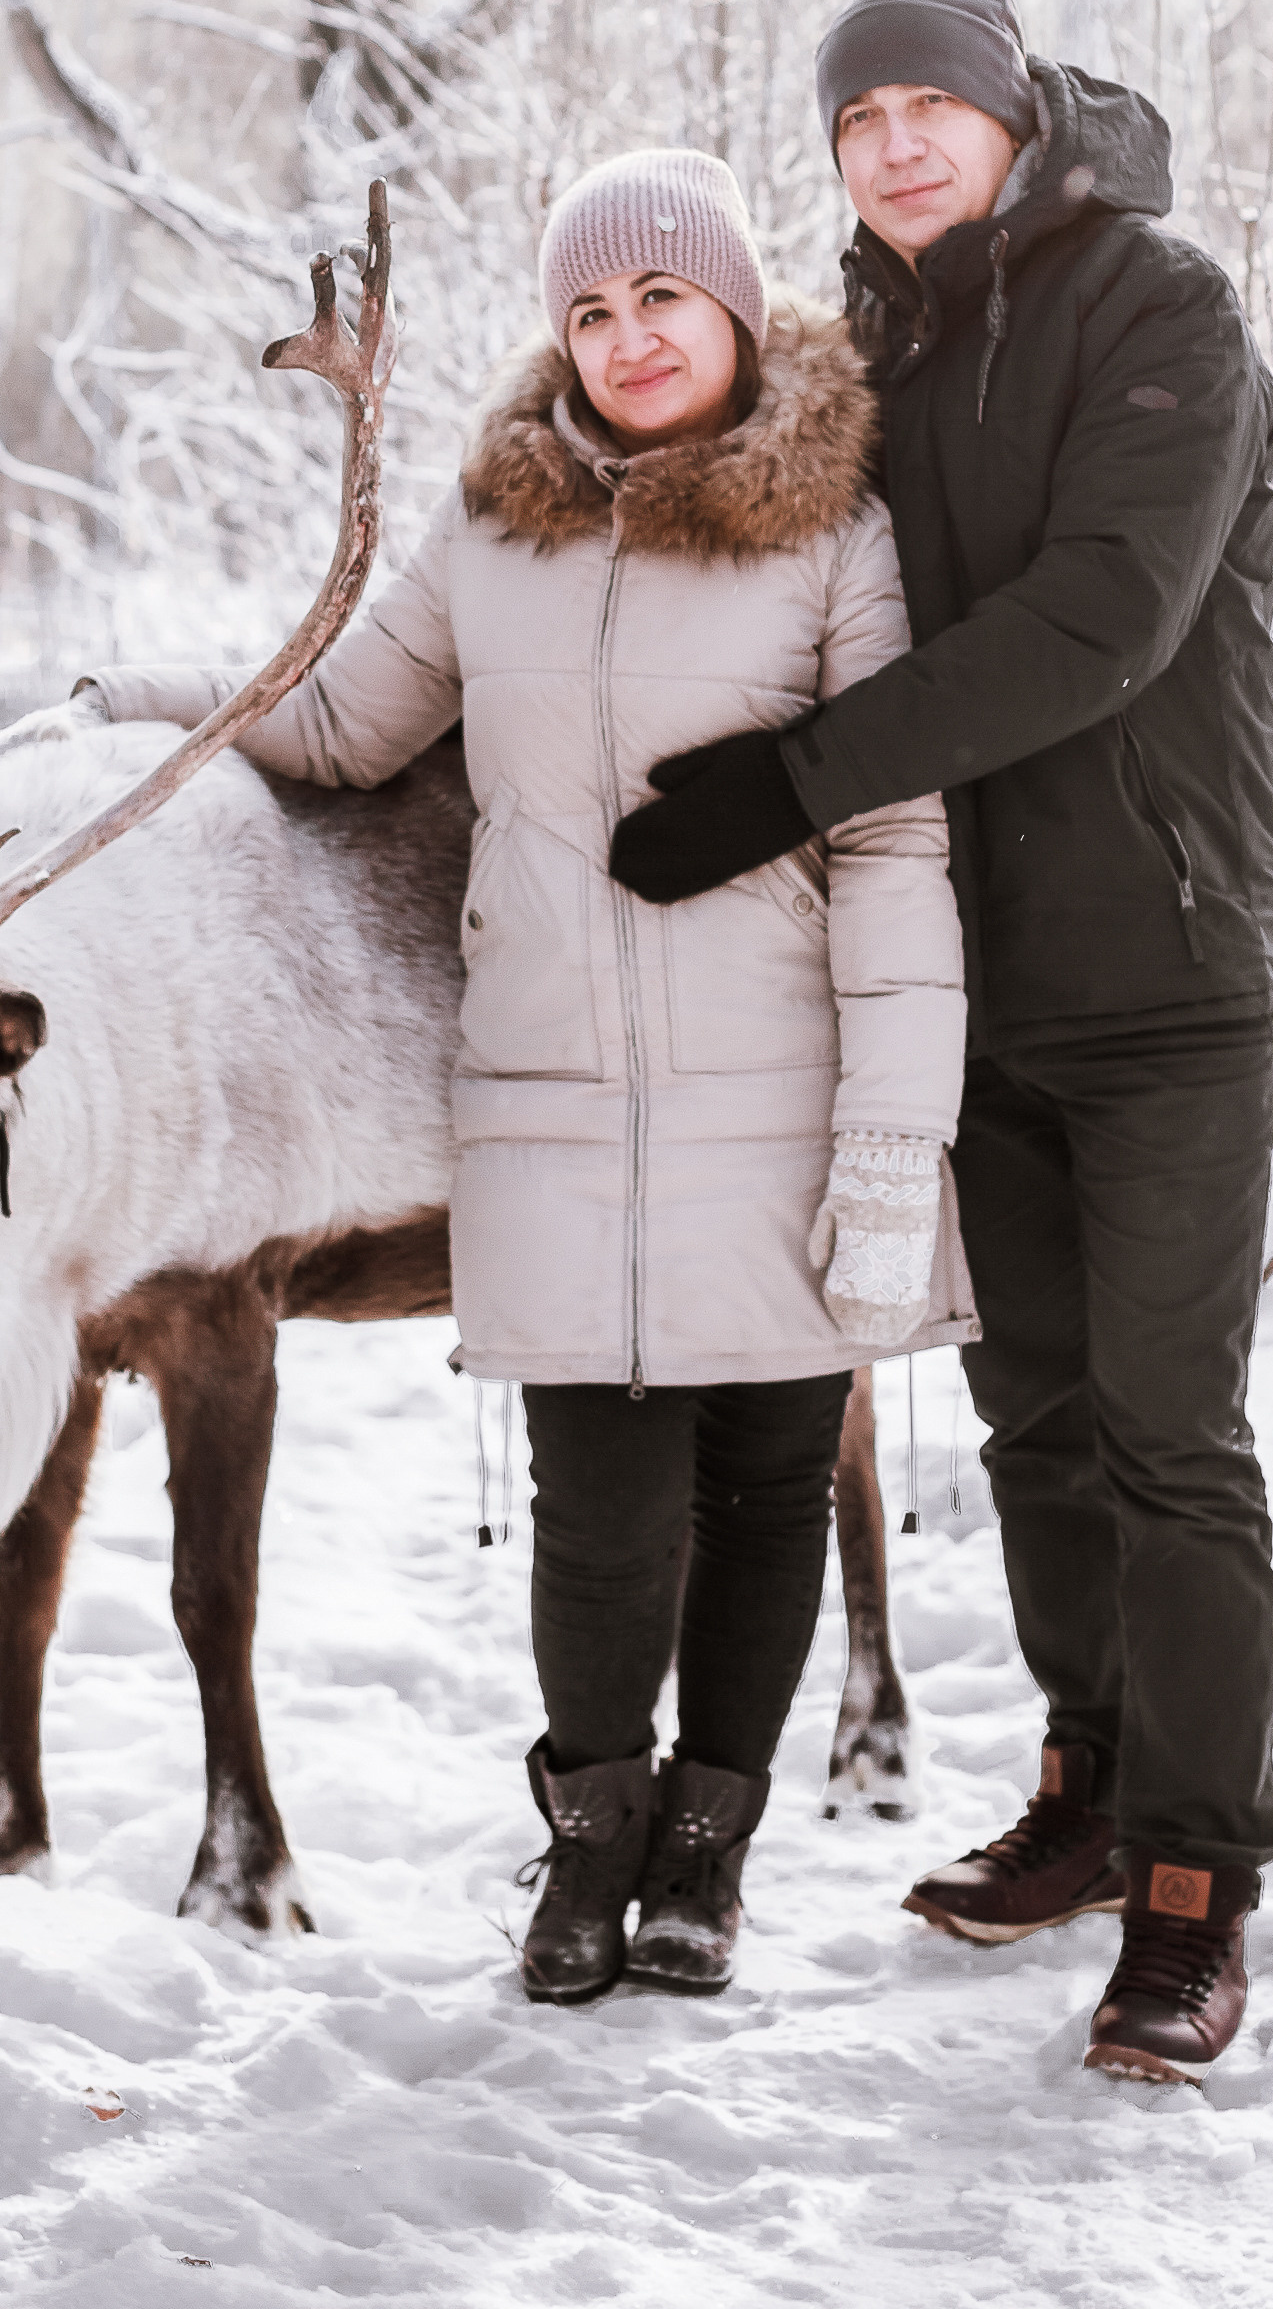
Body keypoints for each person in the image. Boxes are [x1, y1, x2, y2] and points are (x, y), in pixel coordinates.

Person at [89, 148, 971, 2005]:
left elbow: (899, 843)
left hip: (779, 1095)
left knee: (766, 1493)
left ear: (734, 308)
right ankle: (591, 1845)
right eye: (591, 310)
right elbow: (346, 727)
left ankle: (704, 1865)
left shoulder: (839, 531)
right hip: (552, 1103)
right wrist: (138, 703)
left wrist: (894, 1144)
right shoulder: (496, 525)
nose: (629, 338)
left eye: (663, 300)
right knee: (598, 1512)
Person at [608, 0, 1273, 2087]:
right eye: (856, 122)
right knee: (1037, 1430)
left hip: (1167, 977)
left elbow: (1103, 621)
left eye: (929, 108)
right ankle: (1090, 1789)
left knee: (1173, 1442)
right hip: (965, 990)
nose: (895, 147)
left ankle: (1195, 1884)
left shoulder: (1163, 310)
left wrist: (792, 783)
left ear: (1015, 118)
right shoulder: (873, 353)